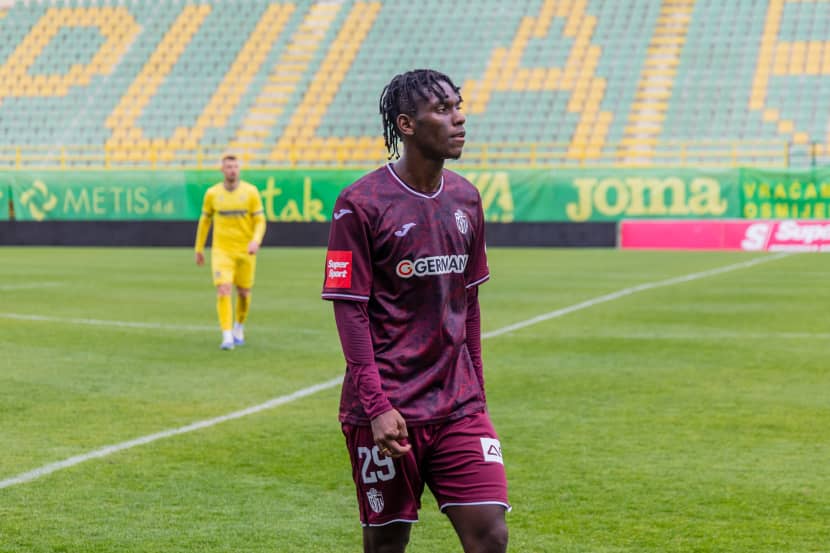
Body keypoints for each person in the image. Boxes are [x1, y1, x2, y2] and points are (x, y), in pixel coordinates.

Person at [321, 69, 509, 553]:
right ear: (406, 124)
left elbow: (468, 304)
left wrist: (478, 393)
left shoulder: (466, 198)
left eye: (458, 106)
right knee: (386, 544)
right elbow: (350, 311)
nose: (459, 118)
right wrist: (377, 407)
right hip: (389, 408)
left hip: (458, 405)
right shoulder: (360, 203)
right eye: (442, 110)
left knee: (490, 534)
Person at [194, 153, 266, 350]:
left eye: (235, 167)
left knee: (244, 292)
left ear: (239, 169)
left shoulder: (250, 192)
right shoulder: (212, 194)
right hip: (222, 251)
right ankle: (226, 336)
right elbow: (205, 221)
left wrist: (256, 240)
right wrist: (199, 248)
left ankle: (238, 327)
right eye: (228, 167)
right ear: (222, 170)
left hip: (245, 251)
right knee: (223, 289)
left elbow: (260, 220)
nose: (232, 170)